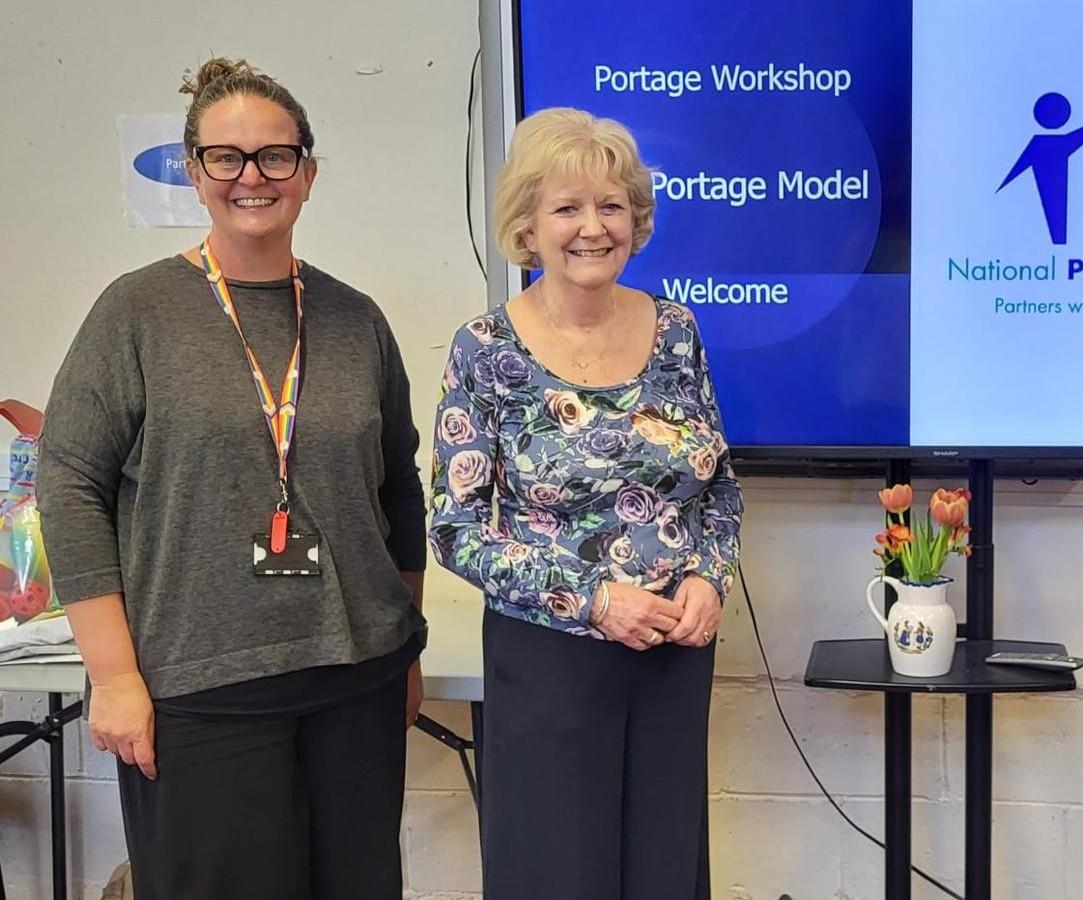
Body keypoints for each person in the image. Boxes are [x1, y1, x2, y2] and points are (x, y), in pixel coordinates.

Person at [37, 57, 426, 900]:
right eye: (227, 157)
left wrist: (407, 646)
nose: (253, 177)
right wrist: (112, 678)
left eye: (276, 156)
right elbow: (68, 486)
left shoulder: (356, 319)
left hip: (357, 679)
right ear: (194, 170)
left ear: (309, 172)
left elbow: (398, 487)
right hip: (197, 689)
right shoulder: (136, 313)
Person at [429, 107, 743, 900]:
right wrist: (595, 601)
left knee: (665, 871)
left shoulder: (676, 330)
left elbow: (720, 488)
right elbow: (456, 528)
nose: (592, 228)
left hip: (673, 654)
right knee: (557, 875)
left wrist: (710, 577)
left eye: (611, 206)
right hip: (550, 660)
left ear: (636, 221)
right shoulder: (486, 350)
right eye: (567, 207)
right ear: (528, 228)